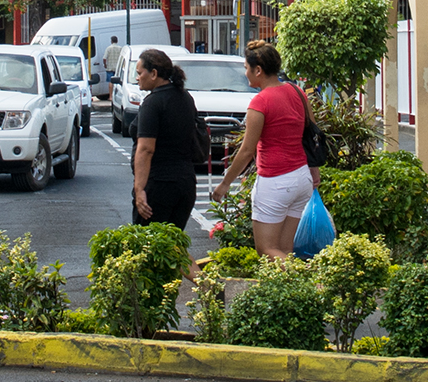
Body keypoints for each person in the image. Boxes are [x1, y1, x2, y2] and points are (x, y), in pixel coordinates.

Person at [212, 41, 313, 259]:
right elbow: (311, 134)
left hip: (275, 180)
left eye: (247, 69)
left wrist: (224, 183)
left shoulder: (260, 102)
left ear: (258, 70)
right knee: (285, 250)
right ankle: (298, 289)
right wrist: (314, 173)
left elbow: (247, 151)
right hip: (302, 177)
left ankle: (311, 280)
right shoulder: (298, 93)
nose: (245, 73)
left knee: (266, 249)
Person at [129, 49, 201, 229]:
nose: (137, 78)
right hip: (185, 183)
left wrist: (139, 190)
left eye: (139, 73)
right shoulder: (185, 97)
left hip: (159, 184)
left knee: (150, 247)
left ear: (153, 74)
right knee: (174, 246)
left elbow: (146, 149)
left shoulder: (152, 103)